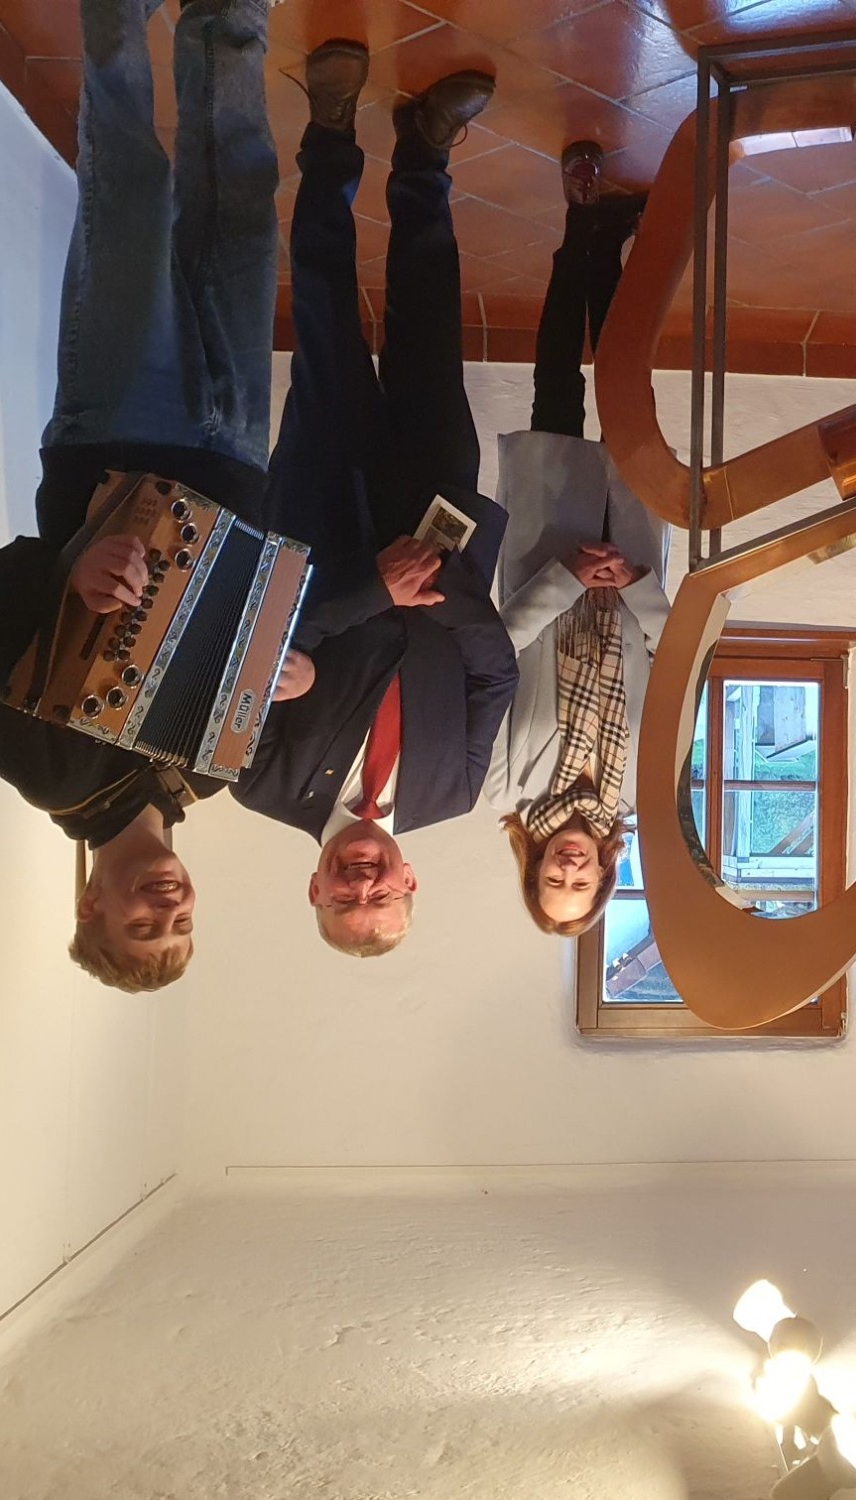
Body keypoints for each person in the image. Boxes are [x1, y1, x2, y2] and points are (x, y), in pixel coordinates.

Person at [0, 0, 282, 991]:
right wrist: (293, 665)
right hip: (235, 447)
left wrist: (70, 573)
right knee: (240, 206)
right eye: (181, 927)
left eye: (143, 928)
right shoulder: (215, 771)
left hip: (117, 434)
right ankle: (232, 17)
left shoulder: (43, 773)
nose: (167, 907)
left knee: (129, 192)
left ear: (90, 906)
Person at [231, 43, 519, 958]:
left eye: (344, 900)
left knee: (324, 317)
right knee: (431, 328)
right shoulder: (452, 793)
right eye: (382, 898)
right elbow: (495, 675)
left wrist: (372, 592)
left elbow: (255, 642)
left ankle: (329, 133)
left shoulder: (258, 782)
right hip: (439, 529)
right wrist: (439, 589)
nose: (364, 885)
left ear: (314, 888)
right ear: (410, 883)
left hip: (323, 504)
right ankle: (425, 152)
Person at [487, 145, 664, 936]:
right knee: (629, 399)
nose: (569, 868)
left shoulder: (505, 785)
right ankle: (613, 243)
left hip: (548, 559)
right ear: (603, 872)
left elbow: (493, 652)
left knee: (556, 383)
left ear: (532, 868)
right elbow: (675, 656)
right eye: (581, 881)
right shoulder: (641, 787)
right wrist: (632, 583)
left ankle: (579, 224)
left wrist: (566, 575)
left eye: (553, 879)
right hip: (629, 562)